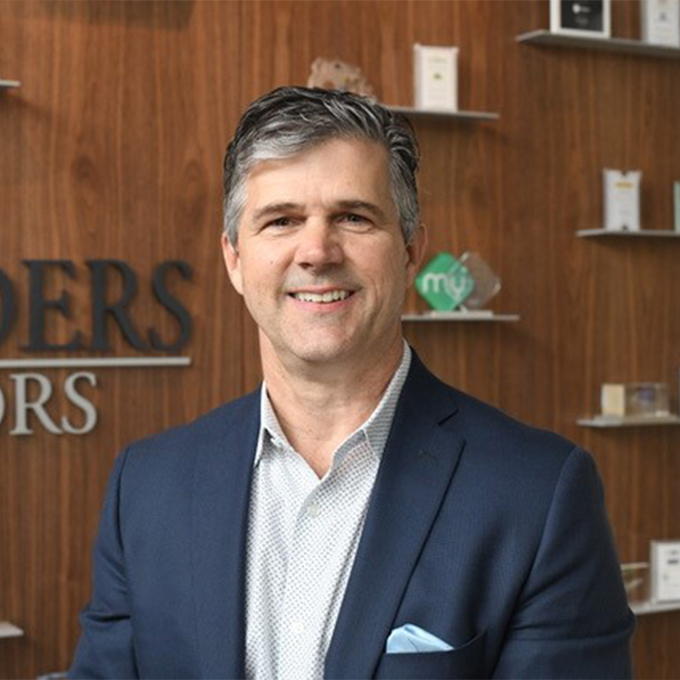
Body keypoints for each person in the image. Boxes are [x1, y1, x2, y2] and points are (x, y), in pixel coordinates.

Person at [70, 86, 634, 680]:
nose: (317, 252)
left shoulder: (538, 495)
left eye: (353, 217)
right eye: (281, 220)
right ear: (234, 259)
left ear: (410, 251)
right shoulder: (147, 487)